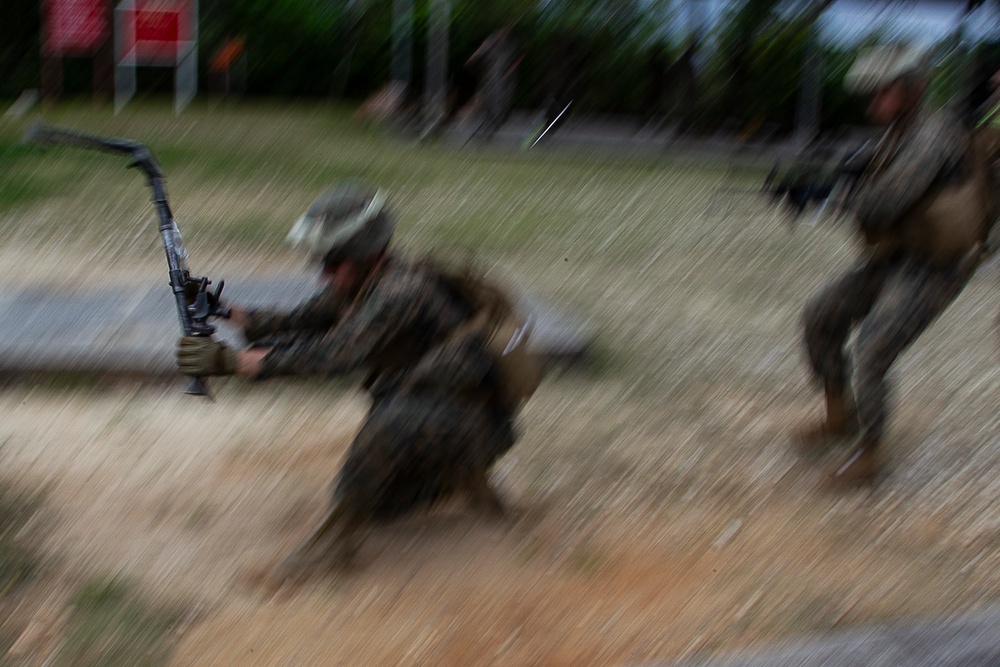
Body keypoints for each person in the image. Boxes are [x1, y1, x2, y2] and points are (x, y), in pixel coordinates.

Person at [175, 184, 533, 577]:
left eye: (332, 261)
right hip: (452, 414)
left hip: (471, 422)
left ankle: (331, 549)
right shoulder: (362, 282)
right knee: (381, 506)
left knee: (392, 424)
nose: (323, 273)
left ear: (366, 253)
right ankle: (465, 483)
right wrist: (222, 309)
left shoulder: (400, 293)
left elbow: (332, 354)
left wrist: (232, 361)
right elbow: (297, 322)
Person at [795, 44, 997, 486]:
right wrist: (818, 188)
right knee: (819, 317)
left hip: (936, 265)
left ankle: (869, 453)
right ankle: (839, 415)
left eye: (882, 92)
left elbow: (886, 202)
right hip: (897, 254)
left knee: (872, 348)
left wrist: (830, 199)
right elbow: (870, 182)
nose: (872, 102)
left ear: (910, 89)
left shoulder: (933, 135)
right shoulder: (898, 134)